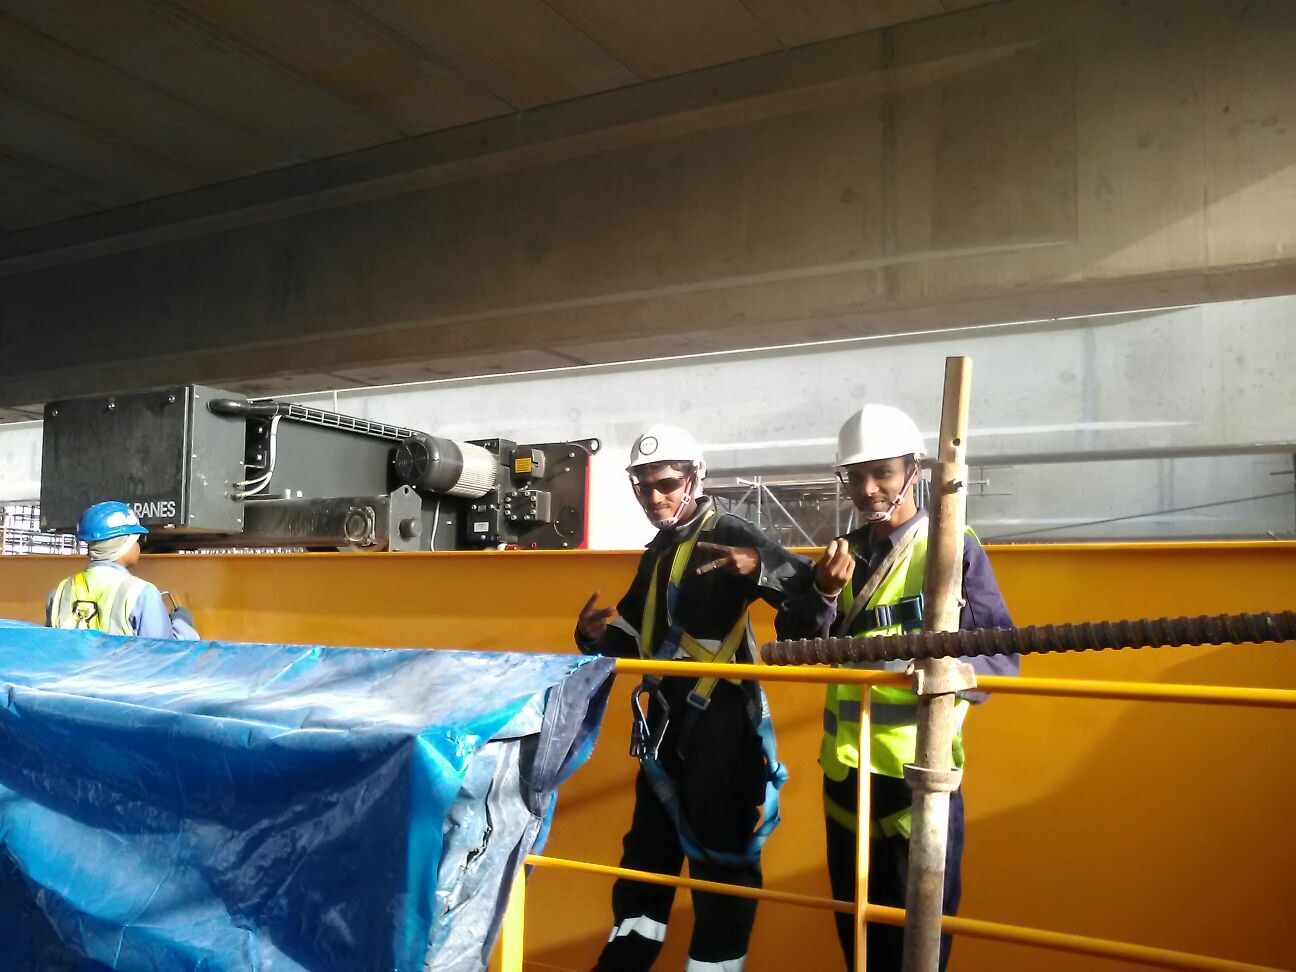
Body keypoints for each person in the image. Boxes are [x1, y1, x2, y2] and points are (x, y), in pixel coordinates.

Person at [775, 404, 1018, 971]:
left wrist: (946, 672)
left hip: (919, 782)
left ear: (914, 470)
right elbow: (796, 644)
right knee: (859, 942)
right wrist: (823, 593)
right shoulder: (842, 554)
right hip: (847, 783)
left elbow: (1002, 657)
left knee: (920, 946)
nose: (867, 489)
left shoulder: (951, 548)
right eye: (856, 476)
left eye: (882, 472)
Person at [576, 424, 813, 972]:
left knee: (721, 856)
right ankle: (625, 961)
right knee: (646, 855)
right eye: (643, 486)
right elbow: (636, 631)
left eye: (666, 484)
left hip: (721, 728)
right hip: (666, 725)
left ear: (694, 479)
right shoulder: (660, 549)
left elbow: (808, 595)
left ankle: (714, 964)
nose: (653, 497)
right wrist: (593, 639)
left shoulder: (729, 531)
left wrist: (760, 567)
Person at [47, 501, 200, 639]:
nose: (139, 546)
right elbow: (163, 651)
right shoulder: (142, 593)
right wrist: (182, 622)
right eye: (138, 540)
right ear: (124, 543)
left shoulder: (61, 590)